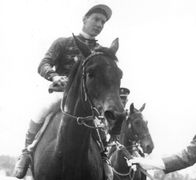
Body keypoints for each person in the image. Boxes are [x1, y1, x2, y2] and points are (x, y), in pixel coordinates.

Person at [13, 4, 115, 179]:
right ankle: (26, 152)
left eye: (103, 22)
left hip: (87, 100)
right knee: (41, 110)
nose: (99, 24)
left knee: (99, 124)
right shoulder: (63, 43)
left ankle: (104, 158)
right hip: (62, 95)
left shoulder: (100, 52)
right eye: (96, 19)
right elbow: (44, 63)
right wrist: (54, 76)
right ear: (85, 19)